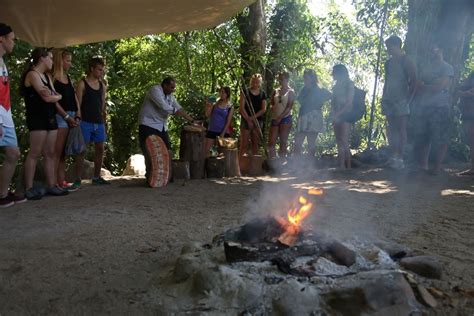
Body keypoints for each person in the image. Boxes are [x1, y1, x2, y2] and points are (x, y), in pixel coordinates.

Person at [20, 48, 69, 199]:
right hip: (37, 118)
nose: (52, 61)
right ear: (42, 58)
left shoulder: (47, 76)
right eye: (51, 58)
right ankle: (28, 188)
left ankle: (51, 185)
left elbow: (54, 96)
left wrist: (54, 95)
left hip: (50, 117)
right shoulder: (32, 75)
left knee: (50, 153)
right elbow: (48, 97)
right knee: (34, 153)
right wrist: (53, 96)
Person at [138, 76, 196, 181]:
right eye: (171, 87)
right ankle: (150, 176)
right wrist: (176, 111)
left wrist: (192, 121)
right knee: (150, 152)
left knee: (167, 150)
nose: (173, 90)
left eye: (174, 88)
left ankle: (167, 175)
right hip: (148, 125)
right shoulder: (155, 91)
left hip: (161, 126)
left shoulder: (170, 96)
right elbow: (164, 107)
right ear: (164, 85)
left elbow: (179, 107)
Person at [412, 43, 454, 174]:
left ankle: (437, 166)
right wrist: (428, 87)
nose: (432, 52)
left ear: (441, 50)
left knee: (441, 137)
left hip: (440, 107)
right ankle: (423, 165)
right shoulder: (426, 69)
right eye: (430, 50)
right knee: (424, 136)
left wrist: (425, 87)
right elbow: (417, 85)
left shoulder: (447, 68)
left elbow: (440, 87)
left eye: (434, 49)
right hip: (425, 107)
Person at [0, 23, 27, 207]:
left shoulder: (2, 61)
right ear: (1, 39)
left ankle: (2, 194)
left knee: (13, 153)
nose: (14, 43)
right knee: (12, 153)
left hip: (5, 113)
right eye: (12, 39)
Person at [381, 35, 417, 170]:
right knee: (392, 130)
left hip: (402, 99)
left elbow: (414, 81)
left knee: (401, 129)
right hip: (389, 99)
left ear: (397, 45)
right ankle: (393, 157)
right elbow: (387, 81)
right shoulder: (388, 63)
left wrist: (409, 99)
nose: (388, 49)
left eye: (389, 46)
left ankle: (400, 158)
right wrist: (384, 96)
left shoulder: (407, 60)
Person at [76, 56, 109, 185]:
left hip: (98, 121)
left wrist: (102, 119)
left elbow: (102, 103)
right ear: (92, 69)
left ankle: (96, 177)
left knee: (100, 148)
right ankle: (78, 178)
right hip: (85, 121)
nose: (101, 72)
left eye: (102, 70)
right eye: (99, 69)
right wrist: (78, 119)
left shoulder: (102, 85)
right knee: (81, 150)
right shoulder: (82, 83)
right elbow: (77, 103)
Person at [52, 48, 81, 190]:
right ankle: (54, 182)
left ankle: (61, 180)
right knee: (57, 151)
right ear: (60, 60)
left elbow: (74, 96)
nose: (70, 64)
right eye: (68, 60)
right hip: (61, 116)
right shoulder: (53, 78)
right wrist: (66, 116)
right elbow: (54, 101)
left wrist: (78, 113)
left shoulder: (68, 78)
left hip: (72, 114)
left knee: (64, 151)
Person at [293, 69, 331, 158]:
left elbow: (330, 95)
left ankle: (311, 165)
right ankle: (296, 163)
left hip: (314, 116)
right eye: (304, 77)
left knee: (311, 142)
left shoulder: (320, 89)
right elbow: (299, 100)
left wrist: (319, 102)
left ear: (312, 78)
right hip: (303, 116)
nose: (304, 78)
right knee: (298, 141)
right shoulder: (303, 89)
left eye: (306, 77)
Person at [331, 64, 355, 170]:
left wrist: (338, 113)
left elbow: (349, 103)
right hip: (336, 116)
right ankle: (341, 166)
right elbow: (333, 102)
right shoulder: (335, 86)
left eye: (334, 72)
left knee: (344, 140)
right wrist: (333, 114)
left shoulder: (350, 84)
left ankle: (348, 166)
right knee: (339, 141)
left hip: (346, 115)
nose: (332, 74)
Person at [268, 71, 296, 159]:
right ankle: (273, 162)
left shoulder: (291, 92)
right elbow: (271, 103)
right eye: (279, 79)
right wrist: (271, 108)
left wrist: (280, 117)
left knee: (283, 141)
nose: (280, 80)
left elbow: (289, 107)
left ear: (287, 79)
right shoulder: (275, 91)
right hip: (275, 118)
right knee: (271, 141)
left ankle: (281, 163)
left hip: (286, 118)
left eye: (282, 79)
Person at [239, 73, 267, 157]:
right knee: (244, 143)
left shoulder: (262, 94)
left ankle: (254, 166)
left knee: (255, 143)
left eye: (257, 82)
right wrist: (248, 119)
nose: (255, 83)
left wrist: (252, 118)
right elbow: (241, 108)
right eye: (253, 81)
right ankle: (240, 165)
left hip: (258, 120)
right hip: (245, 119)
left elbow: (263, 109)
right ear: (251, 81)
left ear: (260, 83)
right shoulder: (245, 91)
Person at [203, 86, 234, 157]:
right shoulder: (215, 103)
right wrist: (207, 105)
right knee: (208, 152)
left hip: (223, 132)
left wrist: (222, 133)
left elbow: (228, 121)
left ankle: (219, 168)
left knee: (221, 154)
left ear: (227, 94)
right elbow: (207, 115)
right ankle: (208, 167)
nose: (221, 94)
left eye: (223, 92)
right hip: (212, 130)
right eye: (220, 92)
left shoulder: (230, 106)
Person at [456, 72, 474, 176]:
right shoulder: (472, 75)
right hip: (469, 112)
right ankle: (473, 168)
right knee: (472, 140)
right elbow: (460, 89)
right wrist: (466, 93)